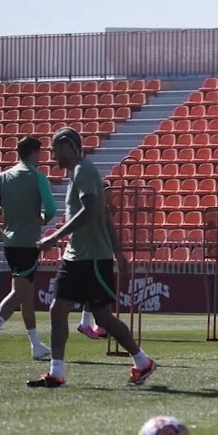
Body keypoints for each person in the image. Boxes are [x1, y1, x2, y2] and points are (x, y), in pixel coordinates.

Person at [27, 127, 156, 388]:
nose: (53, 156)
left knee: (103, 318)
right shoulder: (78, 173)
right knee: (58, 309)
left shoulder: (84, 170)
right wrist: (118, 251)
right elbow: (105, 214)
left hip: (93, 258)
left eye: (55, 150)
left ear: (67, 147)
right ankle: (56, 373)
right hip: (76, 256)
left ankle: (142, 361)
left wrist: (54, 238)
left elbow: (90, 210)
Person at [0, 136, 57, 362]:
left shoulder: (3, 176)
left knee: (26, 294)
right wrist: (40, 218)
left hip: (9, 243)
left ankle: (35, 345)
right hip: (28, 243)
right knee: (20, 293)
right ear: (34, 153)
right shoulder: (38, 179)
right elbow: (51, 209)